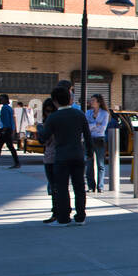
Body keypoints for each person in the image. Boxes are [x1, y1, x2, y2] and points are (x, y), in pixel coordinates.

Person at [36, 86, 92, 226]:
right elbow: (87, 135)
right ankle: (80, 217)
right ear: (69, 99)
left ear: (55, 101)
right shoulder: (79, 114)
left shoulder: (53, 117)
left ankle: (64, 218)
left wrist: (39, 128)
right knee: (79, 187)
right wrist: (89, 152)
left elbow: (44, 138)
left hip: (61, 156)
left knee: (62, 187)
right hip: (78, 155)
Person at [85, 94, 110, 190]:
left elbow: (102, 128)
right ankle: (91, 186)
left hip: (99, 139)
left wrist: (92, 126)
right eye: (91, 100)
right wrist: (96, 124)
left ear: (98, 102)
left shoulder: (105, 114)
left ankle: (101, 186)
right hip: (90, 139)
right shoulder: (88, 113)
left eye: (93, 100)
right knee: (89, 163)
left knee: (100, 164)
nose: (91, 102)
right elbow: (86, 127)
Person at [0, 93, 20, 168]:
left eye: (1, 99)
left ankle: (17, 163)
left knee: (6, 146)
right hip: (8, 130)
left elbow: (6, 121)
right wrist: (12, 130)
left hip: (5, 130)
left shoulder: (5, 108)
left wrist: (3, 130)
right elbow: (12, 121)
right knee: (2, 146)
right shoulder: (9, 108)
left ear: (6, 100)